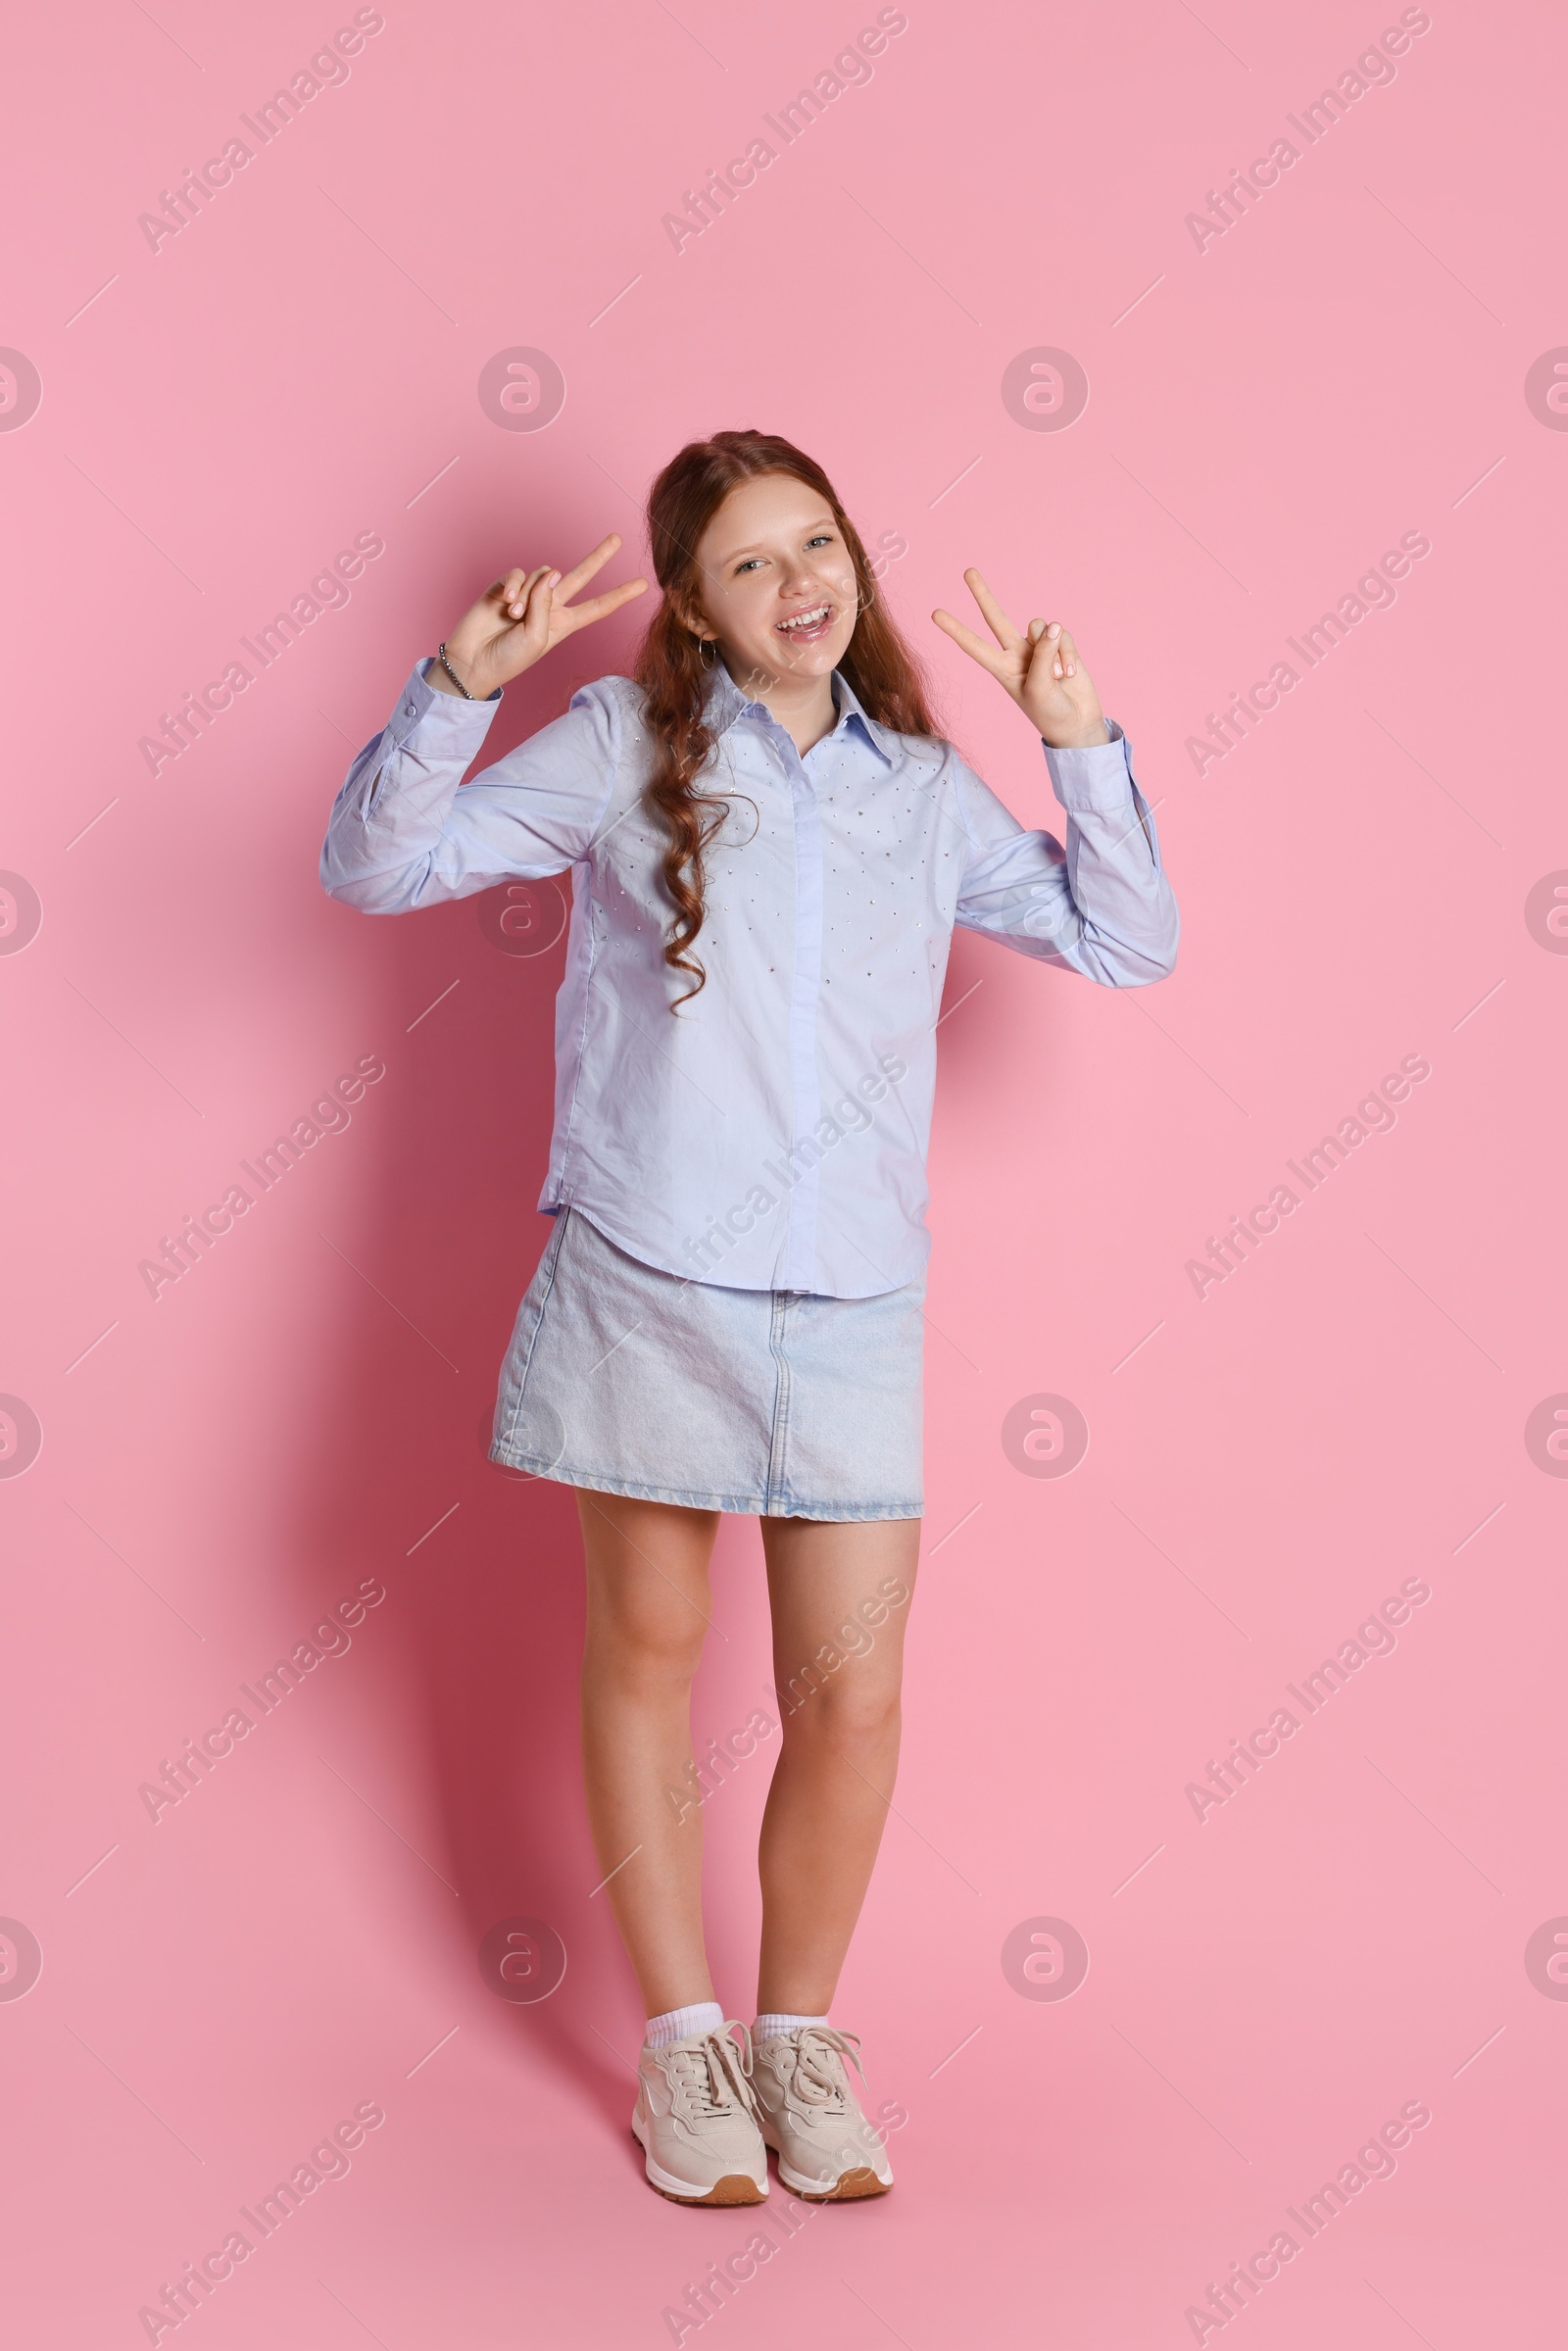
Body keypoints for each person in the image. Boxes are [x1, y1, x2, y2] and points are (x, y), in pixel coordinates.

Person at [319, 428, 1178, 2207]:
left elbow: (1129, 940)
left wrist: (1077, 739)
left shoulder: (927, 793)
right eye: (748, 566)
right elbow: (378, 870)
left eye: (819, 545)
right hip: (651, 1279)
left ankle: (800, 2045)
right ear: (698, 617)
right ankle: (682, 2050)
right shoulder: (623, 748)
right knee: (642, 1653)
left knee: (849, 1702)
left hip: (854, 1298)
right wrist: (452, 689)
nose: (801, 585)